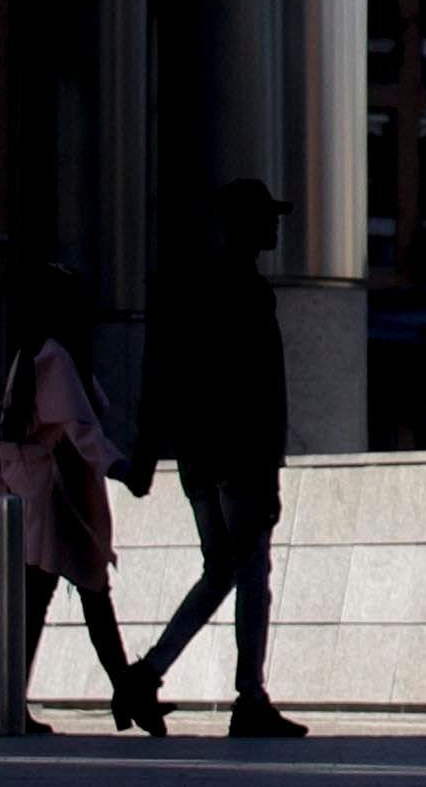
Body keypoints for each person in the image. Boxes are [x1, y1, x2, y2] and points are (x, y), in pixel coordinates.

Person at [124, 178, 308, 739]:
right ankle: (248, 699)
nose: (276, 224)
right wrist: (257, 465)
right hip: (238, 462)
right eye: (267, 216)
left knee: (222, 571)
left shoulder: (197, 288)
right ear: (243, 224)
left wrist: (149, 455)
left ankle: (147, 674)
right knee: (250, 573)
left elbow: (162, 378)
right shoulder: (242, 291)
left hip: (203, 461)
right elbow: (249, 388)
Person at [0, 260, 151, 730]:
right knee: (74, 597)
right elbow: (80, 429)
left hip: (40, 497)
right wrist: (122, 467)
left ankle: (123, 693)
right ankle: (122, 694)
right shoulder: (55, 356)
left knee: (75, 597)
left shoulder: (30, 354)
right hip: (54, 503)